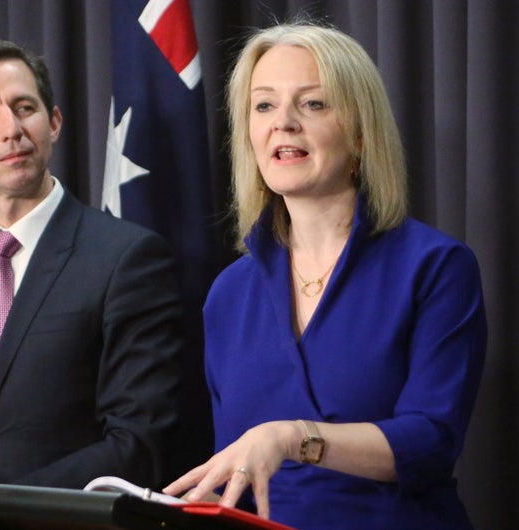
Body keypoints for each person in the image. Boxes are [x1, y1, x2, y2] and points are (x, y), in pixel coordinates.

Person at [163, 22, 487, 530]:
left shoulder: (435, 267)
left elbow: (432, 440)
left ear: (360, 132)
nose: (283, 123)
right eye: (264, 105)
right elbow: (239, 477)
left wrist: (295, 438)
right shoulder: (229, 294)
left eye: (312, 104)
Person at [0, 39, 183, 490]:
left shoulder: (127, 258)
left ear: (54, 122)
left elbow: (137, 443)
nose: (12, 128)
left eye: (24, 107)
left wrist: (0, 504)